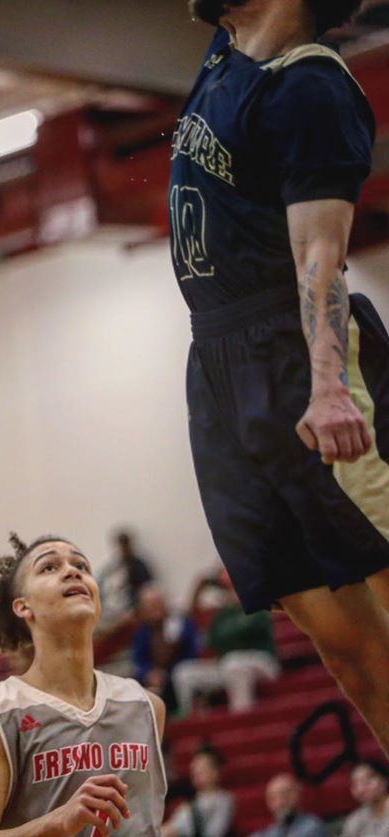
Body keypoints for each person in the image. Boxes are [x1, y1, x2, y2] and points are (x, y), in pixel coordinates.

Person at [173, 0, 389, 755]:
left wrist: (328, 383)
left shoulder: (310, 87)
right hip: (220, 367)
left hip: (299, 355)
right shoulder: (228, 51)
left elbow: (320, 255)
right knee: (348, 649)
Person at [0, 534, 167, 835]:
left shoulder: (146, 706)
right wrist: (55, 823)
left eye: (81, 565)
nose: (72, 571)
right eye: (49, 567)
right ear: (23, 607)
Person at [172, 573, 279, 715]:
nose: (231, 593)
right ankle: (191, 718)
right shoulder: (221, 615)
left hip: (263, 661)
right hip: (228, 664)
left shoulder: (257, 606)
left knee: (233, 663)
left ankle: (242, 716)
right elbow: (210, 641)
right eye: (227, 589)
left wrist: (226, 637)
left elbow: (246, 631)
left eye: (234, 588)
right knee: (184, 672)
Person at [131, 585, 200, 713]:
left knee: (181, 676)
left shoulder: (180, 623)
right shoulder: (142, 632)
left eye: (157, 604)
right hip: (152, 678)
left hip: (176, 673)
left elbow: (192, 652)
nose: (155, 609)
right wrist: (148, 673)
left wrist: (166, 673)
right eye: (150, 606)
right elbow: (138, 659)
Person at [162, 745, 235, 837]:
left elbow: (215, 832)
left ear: (215, 772)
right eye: (194, 770)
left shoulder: (223, 800)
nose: (196, 773)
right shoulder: (190, 803)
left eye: (202, 769)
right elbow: (171, 828)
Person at [98, 529, 156, 622]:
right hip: (111, 610)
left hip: (132, 611)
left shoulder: (139, 566)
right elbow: (101, 584)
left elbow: (147, 589)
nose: (122, 549)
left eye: (125, 545)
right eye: (120, 546)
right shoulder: (113, 567)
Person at [250, 772, 326, 837]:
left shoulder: (312, 826)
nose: (280, 802)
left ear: (297, 795)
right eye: (273, 798)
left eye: (285, 794)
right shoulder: (268, 832)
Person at [342, 759, 389, 837]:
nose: (361, 789)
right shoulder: (355, 819)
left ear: (385, 779)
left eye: (367, 781)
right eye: (355, 785)